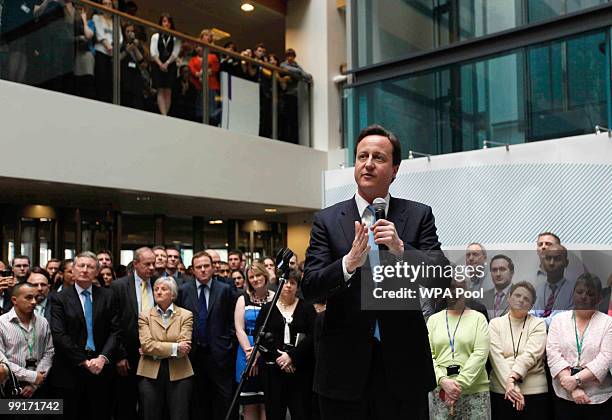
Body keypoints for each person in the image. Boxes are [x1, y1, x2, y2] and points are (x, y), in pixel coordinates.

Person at [302, 124, 449, 420]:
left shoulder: (418, 215)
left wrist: (401, 248)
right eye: (362, 156)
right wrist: (347, 264)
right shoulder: (327, 220)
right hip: (343, 368)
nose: (367, 163)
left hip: (403, 366)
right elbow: (310, 287)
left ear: (395, 169)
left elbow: (442, 277)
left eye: (378, 158)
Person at [47, 251, 120, 420]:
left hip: (101, 369)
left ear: (97, 272)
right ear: (72, 269)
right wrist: (83, 361)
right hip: (70, 369)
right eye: (81, 265)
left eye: (90, 267)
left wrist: (102, 358)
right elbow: (59, 334)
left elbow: (116, 331)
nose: (85, 270)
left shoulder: (108, 296)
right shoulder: (59, 298)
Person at [176, 251, 236, 420]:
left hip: (219, 354)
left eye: (206, 266)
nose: (203, 270)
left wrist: (227, 344)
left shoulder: (225, 290)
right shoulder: (183, 290)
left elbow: (232, 320)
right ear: (193, 270)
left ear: (212, 268)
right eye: (199, 267)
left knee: (223, 401)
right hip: (193, 355)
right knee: (197, 402)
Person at [546, 273, 612, 419]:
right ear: (573, 293)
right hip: (564, 395)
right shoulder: (558, 320)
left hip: (598, 397)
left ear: (599, 298)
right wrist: (572, 388)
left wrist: (575, 380)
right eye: (579, 292)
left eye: (590, 294)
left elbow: (605, 358)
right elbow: (553, 354)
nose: (583, 297)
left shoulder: (608, 323)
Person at [255, 270, 316, 420]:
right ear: (278, 284)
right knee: (275, 413)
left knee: (302, 413)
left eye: (293, 283)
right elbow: (259, 337)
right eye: (285, 282)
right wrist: (280, 358)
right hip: (274, 370)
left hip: (300, 369)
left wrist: (292, 357)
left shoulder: (306, 307)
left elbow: (313, 336)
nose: (288, 286)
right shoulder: (267, 309)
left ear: (297, 286)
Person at [427, 278, 490, 419]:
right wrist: (442, 380)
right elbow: (427, 356)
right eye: (451, 287)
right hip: (440, 392)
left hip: (474, 393)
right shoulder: (433, 320)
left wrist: (456, 386)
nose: (455, 291)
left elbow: (480, 354)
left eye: (460, 287)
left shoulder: (479, 318)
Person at [489, 281, 550, 420]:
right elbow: (496, 358)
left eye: (526, 298)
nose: (521, 300)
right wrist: (511, 386)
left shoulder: (538, 324)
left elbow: (530, 355)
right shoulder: (495, 324)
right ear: (509, 297)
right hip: (501, 392)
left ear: (532, 305)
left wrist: (512, 378)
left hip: (534, 393)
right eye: (517, 295)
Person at [137, 277, 194, 420]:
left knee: (179, 415)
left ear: (173, 294)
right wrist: (175, 347)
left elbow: (184, 348)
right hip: (150, 373)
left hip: (180, 373)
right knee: (151, 415)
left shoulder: (186, 315)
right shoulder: (145, 315)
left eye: (164, 289)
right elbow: (146, 345)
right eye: (156, 289)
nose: (158, 292)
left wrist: (155, 350)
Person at [110, 247, 156, 420]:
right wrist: (119, 355)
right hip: (127, 355)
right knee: (126, 404)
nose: (151, 268)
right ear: (136, 264)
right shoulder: (119, 286)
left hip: (154, 355)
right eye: (147, 264)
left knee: (151, 404)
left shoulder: (160, 284)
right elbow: (114, 324)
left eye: (154, 263)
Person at [234, 261, 274, 420]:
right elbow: (239, 329)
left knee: (267, 402)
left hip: (268, 352)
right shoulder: (243, 299)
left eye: (258, 275)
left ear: (265, 275)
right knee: (250, 402)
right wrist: (250, 353)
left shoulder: (274, 297)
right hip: (246, 351)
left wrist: (259, 353)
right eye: (251, 277)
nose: (255, 279)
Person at [0, 283, 54, 399]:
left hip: (39, 384)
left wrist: (34, 383)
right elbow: (2, 360)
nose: (34, 302)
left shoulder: (42, 322)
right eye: (29, 298)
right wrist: (31, 376)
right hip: (11, 385)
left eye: (36, 297)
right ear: (14, 300)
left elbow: (49, 352)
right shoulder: (1, 323)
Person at [531, 244, 575, 327]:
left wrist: (535, 324)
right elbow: (529, 316)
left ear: (566, 263)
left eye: (557, 259)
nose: (551, 263)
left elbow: (564, 320)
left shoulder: (574, 291)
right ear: (543, 262)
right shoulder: (537, 290)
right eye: (548, 258)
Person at [150, 13, 180, 116]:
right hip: (158, 64)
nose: (166, 24)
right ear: (161, 23)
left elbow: (175, 53)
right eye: (164, 21)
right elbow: (153, 53)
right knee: (160, 89)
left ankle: (165, 114)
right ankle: (163, 115)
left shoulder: (176, 37)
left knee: (168, 90)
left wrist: (166, 63)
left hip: (170, 65)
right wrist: (160, 64)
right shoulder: (155, 36)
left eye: (168, 21)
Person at [279, 48, 311, 144]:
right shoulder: (283, 64)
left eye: (291, 56)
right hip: (286, 94)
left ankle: (294, 140)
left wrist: (299, 72)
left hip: (294, 95)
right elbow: (287, 69)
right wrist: (298, 72)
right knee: (286, 117)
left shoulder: (296, 66)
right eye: (288, 55)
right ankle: (284, 138)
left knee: (294, 119)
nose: (290, 58)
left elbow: (306, 75)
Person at [92, 0, 122, 103]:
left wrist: (113, 47)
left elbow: (120, 38)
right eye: (104, 4)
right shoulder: (96, 17)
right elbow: (100, 34)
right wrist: (108, 46)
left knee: (111, 81)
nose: (107, 6)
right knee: (101, 79)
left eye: (109, 4)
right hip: (101, 51)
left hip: (113, 54)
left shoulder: (116, 21)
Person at [483, 254, 514, 319]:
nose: (498, 274)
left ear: (511, 272)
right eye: (494, 270)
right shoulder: (482, 297)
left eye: (502, 269)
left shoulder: (521, 295)